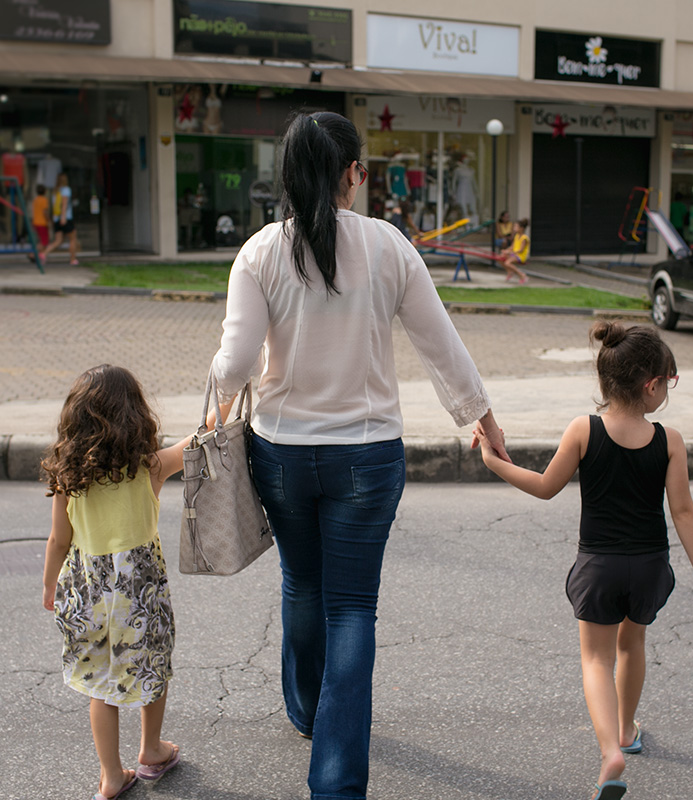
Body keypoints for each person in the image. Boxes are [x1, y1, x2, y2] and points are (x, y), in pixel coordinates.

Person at [211, 110, 510, 800]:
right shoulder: (387, 245)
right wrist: (482, 418)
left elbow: (233, 364)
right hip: (367, 457)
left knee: (301, 583)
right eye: (363, 168)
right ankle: (337, 783)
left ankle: (306, 711)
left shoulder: (260, 252)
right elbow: (441, 344)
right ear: (351, 173)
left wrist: (219, 401)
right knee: (352, 608)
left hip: (281, 453)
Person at [473, 321, 693, 800]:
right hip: (649, 566)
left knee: (596, 658)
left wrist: (494, 462)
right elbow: (683, 512)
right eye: (669, 382)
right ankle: (627, 730)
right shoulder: (670, 441)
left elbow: (545, 487)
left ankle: (611, 751)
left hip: (599, 567)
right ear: (651, 385)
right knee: (632, 646)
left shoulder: (583, 430)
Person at [41, 365, 188, 800]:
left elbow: (58, 540)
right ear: (136, 416)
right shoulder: (149, 468)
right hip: (138, 595)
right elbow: (199, 439)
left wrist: (50, 587)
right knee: (151, 666)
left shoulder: (69, 478)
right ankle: (151, 750)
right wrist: (227, 396)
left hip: (85, 589)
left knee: (100, 684)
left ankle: (110, 776)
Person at [41, 172, 78, 266]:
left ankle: (43, 254)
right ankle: (73, 259)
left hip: (56, 219)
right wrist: (63, 217)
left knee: (58, 241)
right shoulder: (66, 190)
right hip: (65, 218)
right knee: (73, 239)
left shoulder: (55, 191)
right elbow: (64, 204)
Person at [500, 217, 530, 283]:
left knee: (507, 263)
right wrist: (506, 251)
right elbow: (512, 247)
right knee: (501, 257)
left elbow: (521, 250)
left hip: (520, 256)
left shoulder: (524, 238)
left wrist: (510, 253)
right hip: (515, 254)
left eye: (516, 226)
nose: (514, 228)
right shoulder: (516, 236)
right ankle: (510, 272)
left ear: (521, 228)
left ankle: (522, 275)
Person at [31, 184, 50, 249]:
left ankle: (38, 253)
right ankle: (34, 253)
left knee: (40, 240)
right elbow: (45, 212)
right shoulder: (44, 200)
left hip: (35, 222)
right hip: (42, 223)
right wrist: (48, 220)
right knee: (44, 242)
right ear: (45, 192)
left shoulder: (35, 200)